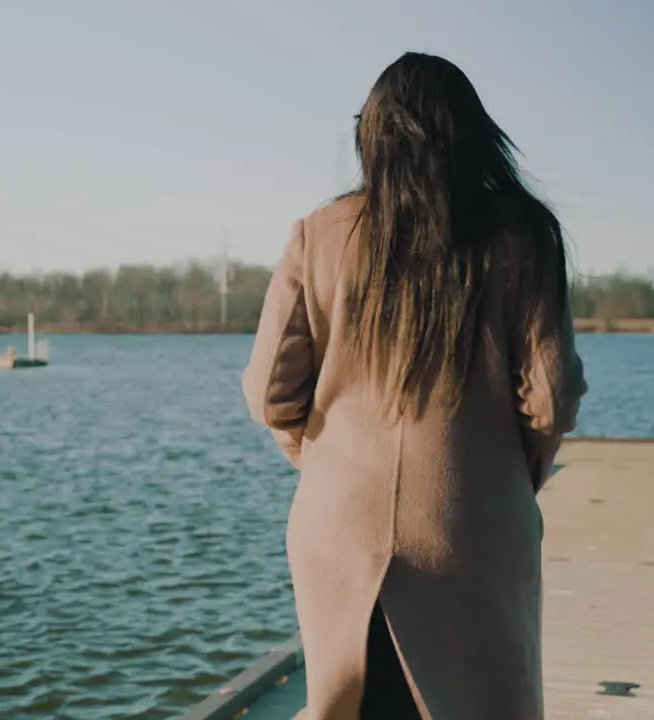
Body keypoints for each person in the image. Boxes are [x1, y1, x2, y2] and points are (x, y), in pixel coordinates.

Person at [241, 52, 587, 720]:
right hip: (473, 523)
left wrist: (321, 461)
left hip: (337, 522)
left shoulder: (319, 235)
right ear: (475, 136)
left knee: (350, 706)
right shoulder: (524, 235)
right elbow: (551, 397)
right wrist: (507, 476)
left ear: (369, 137)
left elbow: (267, 394)